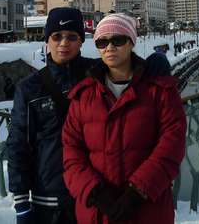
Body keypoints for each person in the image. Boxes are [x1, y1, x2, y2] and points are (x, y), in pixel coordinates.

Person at [7, 7, 171, 224]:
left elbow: (127, 66)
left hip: (97, 198)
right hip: (49, 199)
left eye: (71, 37)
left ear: (81, 41)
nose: (63, 43)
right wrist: (21, 202)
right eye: (56, 36)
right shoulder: (29, 88)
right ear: (47, 40)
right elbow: (18, 145)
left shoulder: (98, 74)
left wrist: (154, 65)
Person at [62, 13, 186, 223]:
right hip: (97, 213)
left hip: (148, 210)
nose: (109, 47)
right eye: (102, 42)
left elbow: (171, 147)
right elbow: (71, 152)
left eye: (118, 40)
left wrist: (138, 192)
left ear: (131, 43)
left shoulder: (160, 91)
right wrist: (94, 192)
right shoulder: (83, 96)